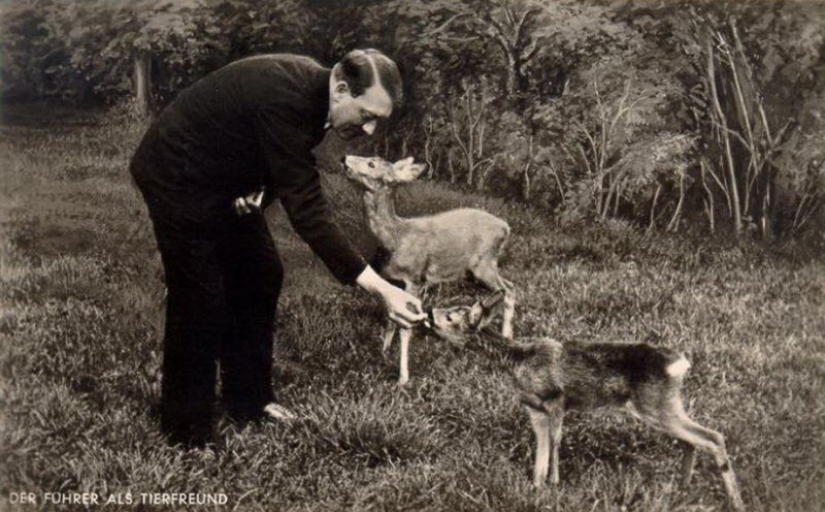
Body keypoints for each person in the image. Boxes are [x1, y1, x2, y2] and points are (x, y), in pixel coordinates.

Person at [129, 49, 425, 448]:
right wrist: (382, 288)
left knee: (262, 273)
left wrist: (258, 189)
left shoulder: (318, 99)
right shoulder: (289, 96)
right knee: (200, 293)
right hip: (174, 173)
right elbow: (308, 210)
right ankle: (186, 428)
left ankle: (248, 400)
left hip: (220, 177)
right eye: (367, 115)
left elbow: (274, 152)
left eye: (378, 121)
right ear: (341, 88)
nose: (371, 131)